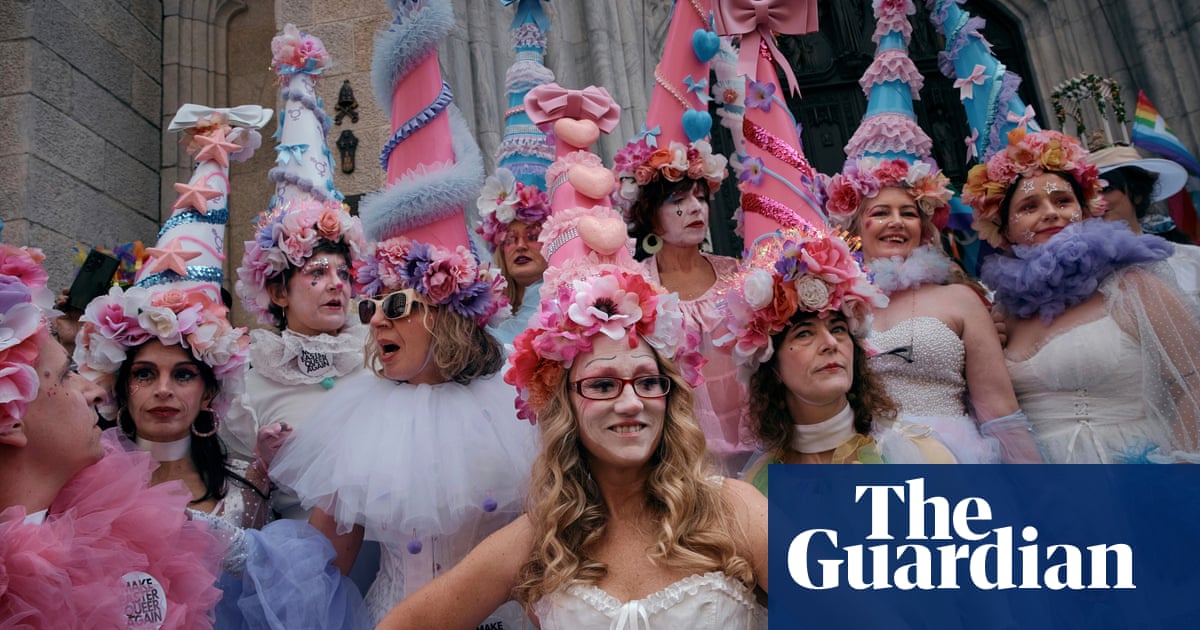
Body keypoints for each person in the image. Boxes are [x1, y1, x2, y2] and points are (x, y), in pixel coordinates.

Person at [377, 195, 768, 630]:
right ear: (565, 405)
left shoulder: (733, 510)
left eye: (647, 381)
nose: (631, 402)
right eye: (602, 385)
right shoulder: (541, 538)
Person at [269, 3, 538, 624]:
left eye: (392, 305)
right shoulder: (359, 420)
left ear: (446, 310)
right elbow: (321, 563)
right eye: (371, 307)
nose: (376, 322)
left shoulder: (518, 414)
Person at [822, 0, 1040, 463]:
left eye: (909, 212)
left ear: (926, 226)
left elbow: (998, 407)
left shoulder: (961, 301)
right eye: (880, 212)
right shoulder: (834, 304)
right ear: (857, 226)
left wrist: (1035, 491)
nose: (896, 222)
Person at [0, 243, 225, 628]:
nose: (94, 391)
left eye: (184, 374)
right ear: (11, 420)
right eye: (69, 374)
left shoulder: (110, 525)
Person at [964, 128, 1200, 463]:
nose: (1050, 212)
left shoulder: (1133, 284)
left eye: (1063, 201)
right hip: (1049, 494)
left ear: (1086, 209)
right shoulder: (1000, 310)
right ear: (1004, 229)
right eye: (1030, 206)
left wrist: (1181, 472)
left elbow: (1193, 383)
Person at [719, 228, 957, 491]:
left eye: (838, 329)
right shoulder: (758, 488)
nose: (830, 343)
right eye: (805, 333)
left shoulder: (922, 458)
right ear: (771, 366)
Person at [1087, 143, 1200, 302]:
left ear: (1137, 193)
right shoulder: (1084, 277)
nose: (1096, 201)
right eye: (1087, 193)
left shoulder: (1192, 259)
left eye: (1106, 189)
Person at [476, 167, 551, 345]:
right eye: (510, 239)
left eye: (532, 236)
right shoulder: (487, 304)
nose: (520, 246)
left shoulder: (557, 299)